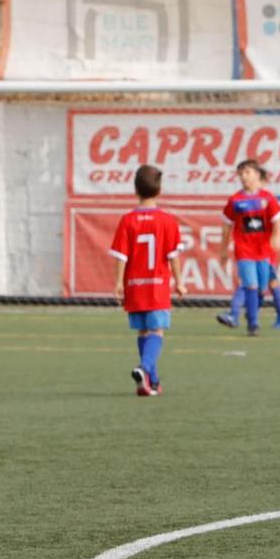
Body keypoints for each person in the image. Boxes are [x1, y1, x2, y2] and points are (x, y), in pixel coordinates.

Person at [109, 164, 187, 397]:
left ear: (135, 189)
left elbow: (121, 256)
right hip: (157, 285)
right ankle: (144, 369)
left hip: (134, 284)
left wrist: (119, 283)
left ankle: (150, 382)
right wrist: (180, 282)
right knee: (157, 331)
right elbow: (173, 256)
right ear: (159, 189)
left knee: (143, 332)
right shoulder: (167, 220)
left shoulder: (127, 220)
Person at [216, 165, 280, 330]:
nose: (243, 176)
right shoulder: (235, 200)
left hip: (265, 251)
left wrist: (276, 237)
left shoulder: (268, 198)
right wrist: (223, 249)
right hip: (244, 250)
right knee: (248, 284)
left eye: (247, 172)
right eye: (241, 173)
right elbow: (227, 226)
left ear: (257, 176)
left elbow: (278, 222)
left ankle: (270, 314)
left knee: (264, 287)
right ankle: (245, 320)